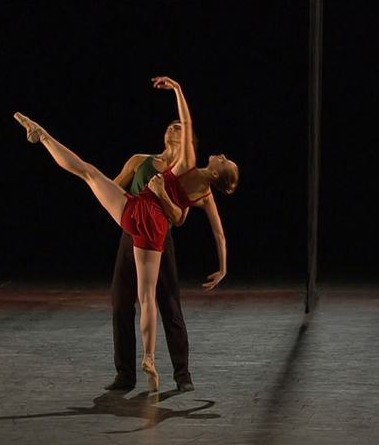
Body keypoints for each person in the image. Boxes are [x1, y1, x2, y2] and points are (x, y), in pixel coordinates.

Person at [14, 76, 239, 391]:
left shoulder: (187, 163)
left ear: (215, 172)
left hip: (139, 217)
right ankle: (145, 360)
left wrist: (177, 89)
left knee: (88, 173)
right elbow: (216, 233)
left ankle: (45, 137)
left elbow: (181, 215)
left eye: (225, 161)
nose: (222, 154)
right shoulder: (194, 188)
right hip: (146, 226)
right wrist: (224, 267)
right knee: (143, 298)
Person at [105, 121, 194, 393]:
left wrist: (161, 194)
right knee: (121, 303)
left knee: (169, 305)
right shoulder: (139, 160)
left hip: (159, 239)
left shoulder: (182, 174)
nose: (172, 128)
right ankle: (125, 375)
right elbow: (114, 186)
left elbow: (179, 218)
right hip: (131, 233)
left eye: (178, 126)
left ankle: (182, 375)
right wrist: (129, 205)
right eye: (169, 126)